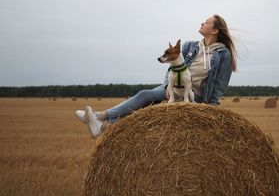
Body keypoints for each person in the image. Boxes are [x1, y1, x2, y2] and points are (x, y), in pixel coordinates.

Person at [76, 14, 238, 138]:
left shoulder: (223, 55)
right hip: (175, 86)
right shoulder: (190, 46)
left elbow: (219, 85)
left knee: (148, 103)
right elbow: (173, 68)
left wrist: (211, 112)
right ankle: (101, 122)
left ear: (215, 30)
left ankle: (102, 122)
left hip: (196, 95)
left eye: (207, 22)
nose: (202, 23)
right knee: (146, 101)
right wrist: (168, 86)